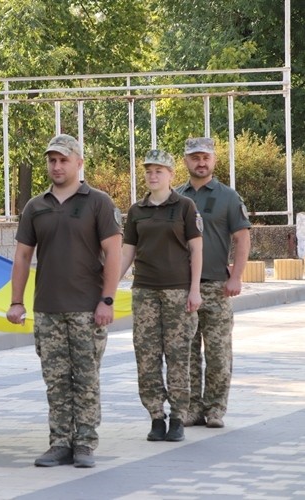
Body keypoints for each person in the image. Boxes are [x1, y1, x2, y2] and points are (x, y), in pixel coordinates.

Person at [6, 134, 122, 469]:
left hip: (88, 308)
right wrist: (17, 301)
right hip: (48, 310)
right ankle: (59, 443)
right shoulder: (35, 206)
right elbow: (23, 256)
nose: (57, 166)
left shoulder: (98, 202)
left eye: (63, 160)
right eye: (52, 160)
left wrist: (108, 300)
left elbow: (113, 253)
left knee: (85, 378)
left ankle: (84, 443)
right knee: (56, 380)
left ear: (79, 162)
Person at [119, 149, 203, 443]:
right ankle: (156, 415)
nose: (153, 176)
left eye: (159, 171)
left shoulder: (184, 206)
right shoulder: (136, 210)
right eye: (148, 171)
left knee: (179, 355)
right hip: (144, 292)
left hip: (178, 291)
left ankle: (178, 416)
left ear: (171, 175)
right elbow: (127, 252)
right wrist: (108, 287)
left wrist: (194, 290)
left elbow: (196, 250)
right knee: (146, 355)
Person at [176, 137, 251, 429]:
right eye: (194, 157)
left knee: (219, 353)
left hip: (217, 286)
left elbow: (242, 238)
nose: (200, 162)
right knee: (188, 354)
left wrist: (236, 276)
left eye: (205, 157)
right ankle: (192, 409)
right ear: (186, 161)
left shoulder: (228, 197)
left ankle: (216, 409)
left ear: (214, 160)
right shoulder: (176, 197)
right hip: (182, 288)